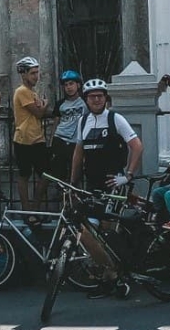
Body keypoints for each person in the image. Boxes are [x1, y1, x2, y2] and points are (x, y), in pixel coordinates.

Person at [69, 78, 144, 299]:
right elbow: (78, 154)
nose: (96, 100)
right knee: (84, 233)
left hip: (113, 186)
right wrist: (72, 184)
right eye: (92, 97)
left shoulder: (115, 119)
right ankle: (110, 272)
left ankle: (117, 274)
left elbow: (137, 146)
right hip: (93, 187)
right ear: (86, 100)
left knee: (108, 230)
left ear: (106, 98)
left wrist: (128, 175)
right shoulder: (83, 122)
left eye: (100, 96)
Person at [12, 56, 50, 217]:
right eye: (33, 73)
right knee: (24, 175)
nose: (36, 76)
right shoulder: (22, 91)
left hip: (37, 138)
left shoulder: (32, 92)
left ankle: (34, 207)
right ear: (24, 74)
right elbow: (39, 113)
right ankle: (27, 209)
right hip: (24, 139)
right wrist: (45, 104)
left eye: (37, 72)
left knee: (45, 174)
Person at [47, 70, 85, 182]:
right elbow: (56, 122)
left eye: (71, 84)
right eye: (66, 85)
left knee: (77, 171)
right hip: (61, 139)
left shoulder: (85, 102)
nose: (69, 87)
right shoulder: (60, 104)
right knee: (59, 173)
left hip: (76, 142)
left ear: (78, 85)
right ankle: (62, 196)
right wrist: (51, 141)